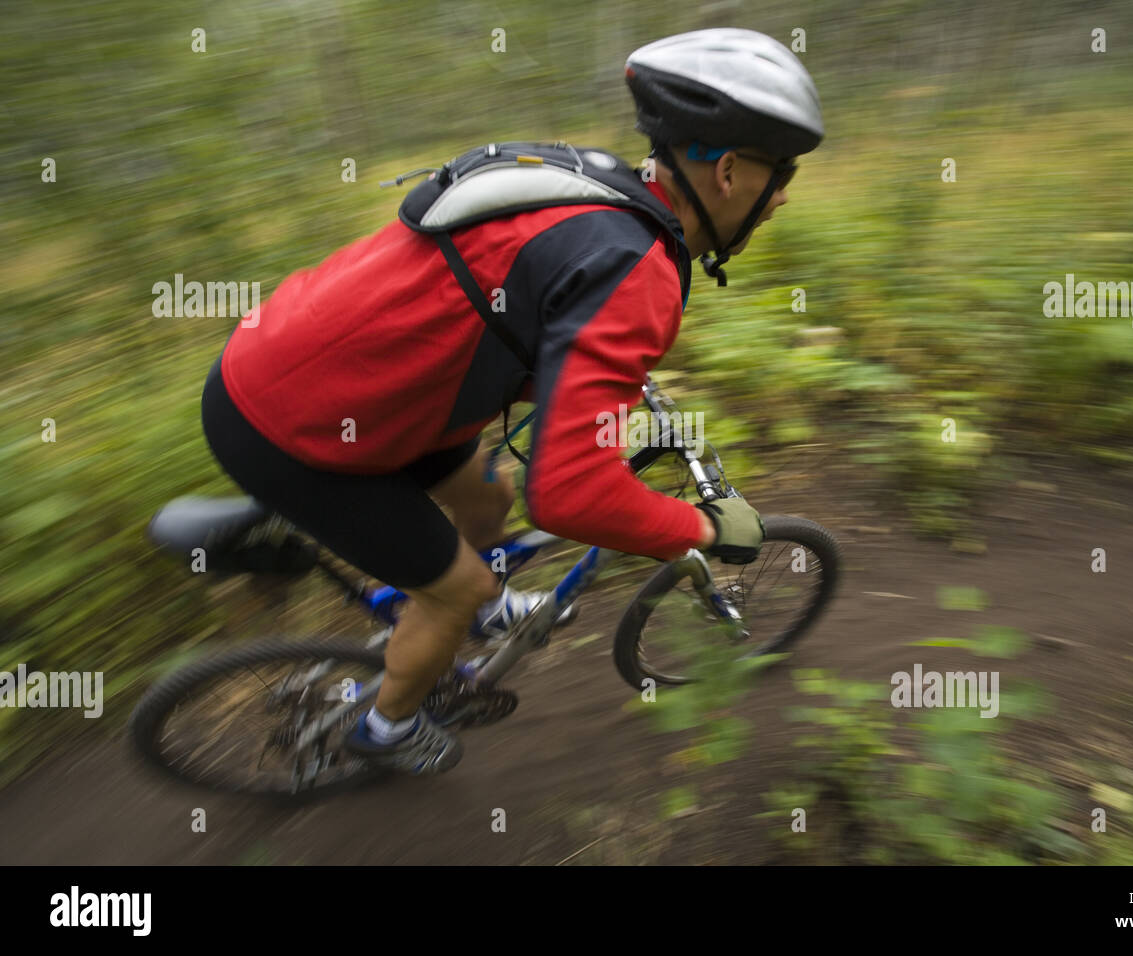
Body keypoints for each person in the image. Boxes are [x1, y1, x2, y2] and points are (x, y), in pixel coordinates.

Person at [199, 28, 824, 773]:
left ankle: (488, 604)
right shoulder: (638, 270)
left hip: (319, 371)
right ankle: (387, 730)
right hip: (290, 427)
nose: (783, 191)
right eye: (779, 171)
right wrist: (701, 526)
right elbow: (567, 496)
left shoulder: (593, 189)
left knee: (489, 493)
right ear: (727, 171)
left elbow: (531, 310)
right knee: (451, 592)